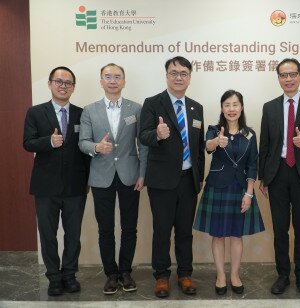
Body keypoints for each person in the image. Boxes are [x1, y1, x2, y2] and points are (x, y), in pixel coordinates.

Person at [259, 58, 300, 296]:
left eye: (293, 74)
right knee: (280, 229)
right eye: (284, 75)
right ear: (278, 78)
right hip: (277, 174)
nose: (288, 79)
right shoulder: (269, 107)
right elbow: (264, 144)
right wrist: (263, 178)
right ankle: (282, 275)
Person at [78, 63, 148, 294]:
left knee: (130, 227)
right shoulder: (90, 110)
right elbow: (82, 142)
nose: (112, 80)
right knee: (105, 228)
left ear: (124, 81)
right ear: (101, 81)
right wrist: (97, 147)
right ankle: (111, 273)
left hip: (130, 175)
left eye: (117, 76)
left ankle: (125, 271)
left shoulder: (136, 109)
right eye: (107, 76)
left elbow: (143, 144)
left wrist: (142, 173)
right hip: (101, 176)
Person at [139, 56, 205, 298]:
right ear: (166, 76)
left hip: (189, 180)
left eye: (184, 73)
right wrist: (156, 133)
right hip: (162, 181)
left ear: (189, 77)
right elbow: (143, 136)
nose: (179, 77)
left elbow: (198, 147)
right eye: (174, 73)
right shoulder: (153, 103)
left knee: (185, 231)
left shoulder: (196, 107)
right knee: (162, 230)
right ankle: (162, 276)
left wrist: (200, 177)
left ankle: (185, 274)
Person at [23, 66, 90, 296]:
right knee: (48, 234)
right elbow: (28, 143)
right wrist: (49, 142)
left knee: (73, 234)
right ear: (50, 84)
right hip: (45, 186)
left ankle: (69, 275)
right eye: (59, 81)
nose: (63, 86)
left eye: (68, 82)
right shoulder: (35, 112)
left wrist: (88, 180)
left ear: (73, 87)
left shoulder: (83, 113)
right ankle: (53, 276)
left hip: (75, 186)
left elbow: (86, 150)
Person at [193, 90, 265, 295]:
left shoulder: (250, 133)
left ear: (241, 107)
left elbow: (253, 164)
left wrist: (249, 193)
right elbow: (206, 147)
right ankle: (221, 275)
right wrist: (217, 142)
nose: (231, 109)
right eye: (227, 105)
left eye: (235, 104)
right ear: (222, 108)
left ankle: (234, 274)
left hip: (241, 188)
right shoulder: (214, 129)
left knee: (236, 235)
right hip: (218, 186)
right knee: (218, 235)